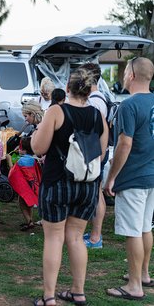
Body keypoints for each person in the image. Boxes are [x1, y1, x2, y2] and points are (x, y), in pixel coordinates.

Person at [31, 68, 108, 306]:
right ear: (89, 89)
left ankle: (49, 296)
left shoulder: (56, 111)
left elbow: (38, 148)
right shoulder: (98, 116)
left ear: (67, 87)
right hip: (86, 186)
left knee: (54, 239)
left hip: (58, 183)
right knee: (75, 238)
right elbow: (101, 152)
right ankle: (78, 291)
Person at [104, 57, 154, 301]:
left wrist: (111, 177)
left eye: (125, 72)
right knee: (145, 227)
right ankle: (143, 274)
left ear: (132, 75)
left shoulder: (128, 105)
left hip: (133, 176)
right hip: (151, 175)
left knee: (133, 231)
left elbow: (125, 143)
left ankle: (135, 285)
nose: (123, 77)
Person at [80, 63, 109, 249]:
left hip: (94, 153)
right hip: (95, 152)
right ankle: (94, 234)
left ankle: (96, 238)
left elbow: (96, 130)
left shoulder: (96, 101)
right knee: (94, 194)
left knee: (96, 195)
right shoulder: (96, 98)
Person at [8, 136, 41, 231]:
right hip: (32, 184)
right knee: (29, 202)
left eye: (20, 148)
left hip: (24, 186)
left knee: (22, 202)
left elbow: (13, 173)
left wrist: (9, 160)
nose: (18, 149)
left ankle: (29, 221)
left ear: (24, 150)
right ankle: (30, 219)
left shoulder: (21, 161)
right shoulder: (34, 160)